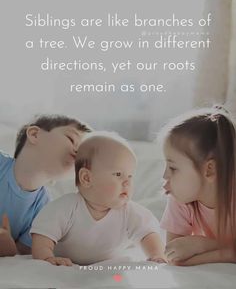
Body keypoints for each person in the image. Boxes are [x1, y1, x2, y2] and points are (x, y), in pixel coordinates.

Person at [31, 132, 165, 266]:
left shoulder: (129, 212)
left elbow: (148, 234)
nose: (127, 182)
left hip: (107, 265)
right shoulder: (67, 208)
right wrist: (47, 257)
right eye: (118, 174)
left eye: (130, 176)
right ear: (87, 178)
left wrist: (156, 255)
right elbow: (43, 235)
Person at [0, 114, 91, 256]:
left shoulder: (46, 210)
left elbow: (22, 251)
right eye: (71, 139)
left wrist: (8, 248)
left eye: (82, 152)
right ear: (35, 134)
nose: (77, 152)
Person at [160, 106, 236, 265]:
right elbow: (175, 256)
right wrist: (225, 252)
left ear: (209, 169)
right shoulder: (180, 198)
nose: (164, 176)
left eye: (173, 168)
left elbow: (185, 259)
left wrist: (203, 245)